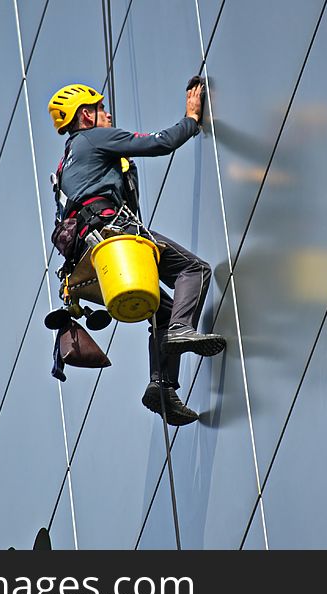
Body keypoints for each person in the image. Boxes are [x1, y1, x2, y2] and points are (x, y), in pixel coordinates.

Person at [47, 81, 225, 426]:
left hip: (90, 257)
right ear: (86, 115)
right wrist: (191, 119)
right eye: (101, 108)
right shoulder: (92, 138)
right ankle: (181, 331)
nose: (108, 113)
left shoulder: (65, 163)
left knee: (164, 310)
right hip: (115, 235)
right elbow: (159, 143)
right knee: (194, 270)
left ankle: (161, 387)